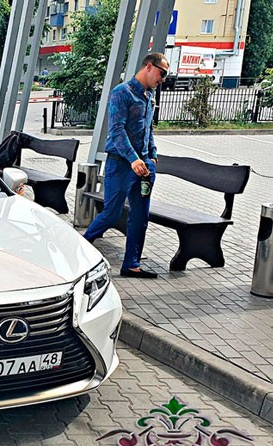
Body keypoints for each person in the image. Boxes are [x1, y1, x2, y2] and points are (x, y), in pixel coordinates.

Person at [83, 52, 168, 279]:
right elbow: (116, 130)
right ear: (148, 67)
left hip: (144, 167)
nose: (163, 79)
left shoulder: (149, 96)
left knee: (140, 217)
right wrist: (133, 159)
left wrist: (152, 156)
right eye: (162, 73)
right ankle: (79, 248)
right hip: (121, 164)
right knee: (112, 214)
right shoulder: (122, 93)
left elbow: (148, 129)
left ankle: (132, 264)